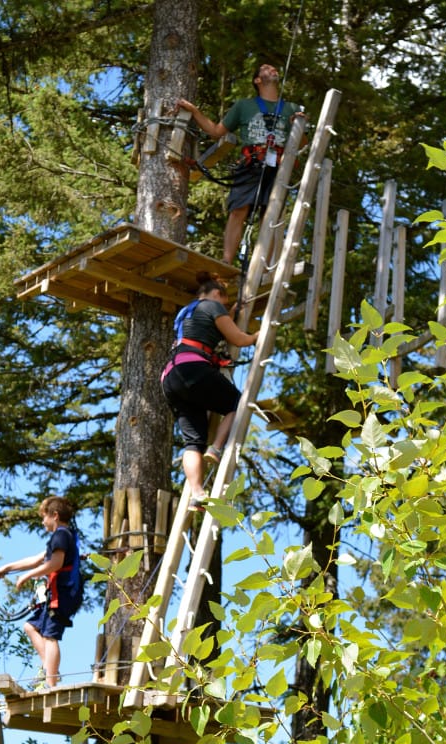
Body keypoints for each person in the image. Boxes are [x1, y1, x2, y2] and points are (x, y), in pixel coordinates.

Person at [176, 62, 307, 265]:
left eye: (274, 68)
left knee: (270, 217)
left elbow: (303, 143)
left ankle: (262, 267)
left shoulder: (292, 108)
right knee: (238, 209)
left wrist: (298, 125)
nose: (272, 69)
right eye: (266, 69)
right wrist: (194, 111)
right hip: (251, 162)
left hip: (279, 166)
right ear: (257, 80)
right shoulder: (244, 106)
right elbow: (216, 131)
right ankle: (226, 261)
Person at [161, 272, 258, 511]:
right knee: (237, 403)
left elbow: (207, 330)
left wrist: (231, 313)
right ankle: (216, 448)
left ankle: (197, 494)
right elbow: (239, 339)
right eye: (224, 304)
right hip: (193, 368)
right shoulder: (213, 305)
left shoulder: (187, 312)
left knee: (193, 442)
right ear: (217, 294)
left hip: (171, 377)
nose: (223, 308)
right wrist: (259, 334)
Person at [0, 495, 79, 690]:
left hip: (61, 595)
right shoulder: (63, 536)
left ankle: (51, 683)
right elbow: (37, 559)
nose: (42, 522)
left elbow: (55, 563)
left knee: (50, 637)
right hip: (56, 595)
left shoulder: (61, 535)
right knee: (31, 627)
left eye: (44, 517)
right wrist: (8, 568)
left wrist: (26, 577)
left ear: (55, 516)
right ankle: (49, 669)